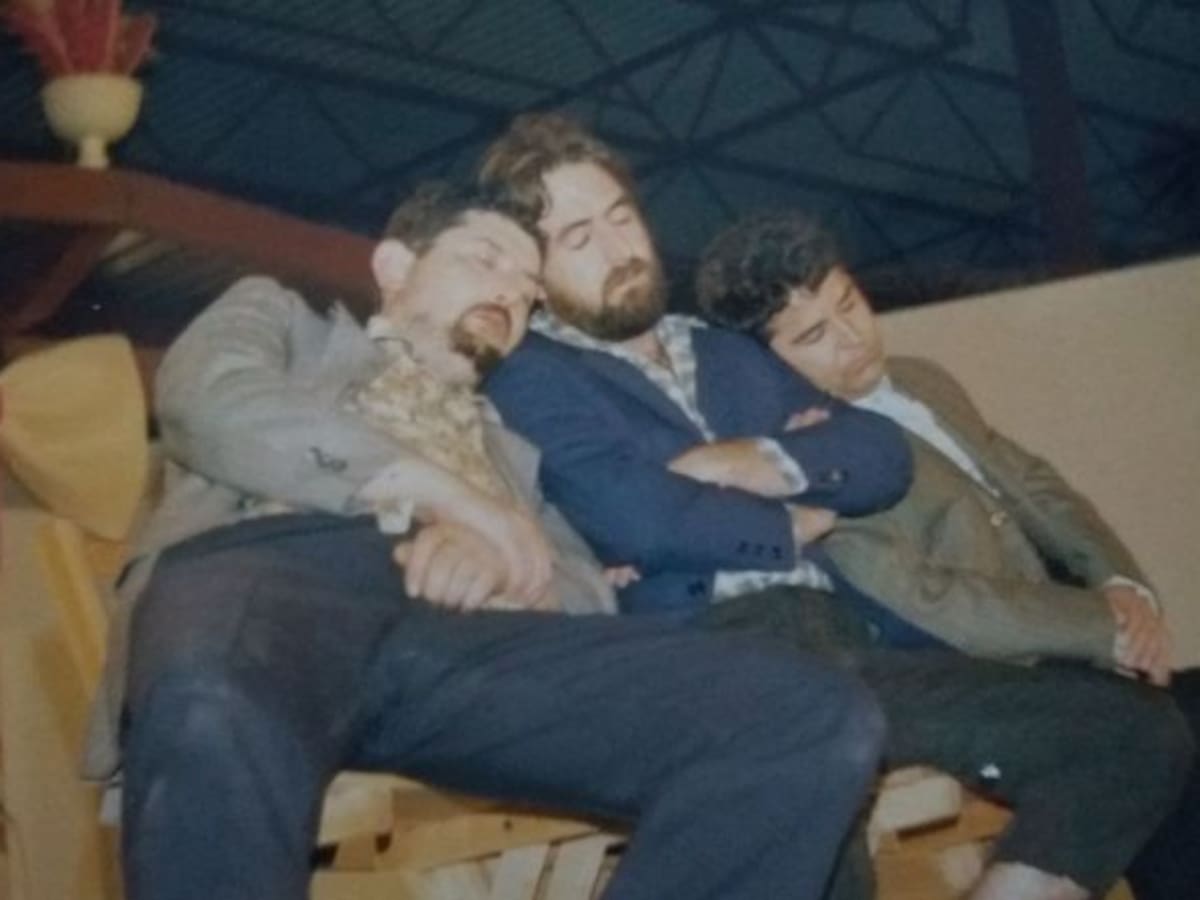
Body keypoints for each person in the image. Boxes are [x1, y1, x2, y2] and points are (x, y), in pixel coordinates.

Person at [90, 183, 887, 900]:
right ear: (396, 266)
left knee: (808, 714)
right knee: (212, 705)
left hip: (466, 644)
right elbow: (211, 400)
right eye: (486, 259)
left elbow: (587, 587)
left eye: (528, 288)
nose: (511, 291)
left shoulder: (514, 446)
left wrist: (514, 570)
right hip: (277, 578)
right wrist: (447, 500)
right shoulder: (284, 322)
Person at [478, 112, 1193, 900]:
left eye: (621, 217)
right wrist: (790, 515)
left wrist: (746, 461)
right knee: (822, 824)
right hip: (712, 657)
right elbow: (637, 518)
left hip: (847, 643)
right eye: (579, 238)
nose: (619, 249)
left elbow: (877, 456)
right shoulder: (533, 377)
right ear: (533, 276)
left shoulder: (728, 350)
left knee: (1132, 735)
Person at [694, 208, 1200, 900]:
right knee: (1162, 739)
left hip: (1066, 624)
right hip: (986, 668)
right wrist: (1099, 626)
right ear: (764, 364)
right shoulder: (810, 458)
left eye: (851, 303)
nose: (853, 338)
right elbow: (931, 601)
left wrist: (1123, 587)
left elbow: (1035, 484)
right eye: (814, 335)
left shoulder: (921, 378)